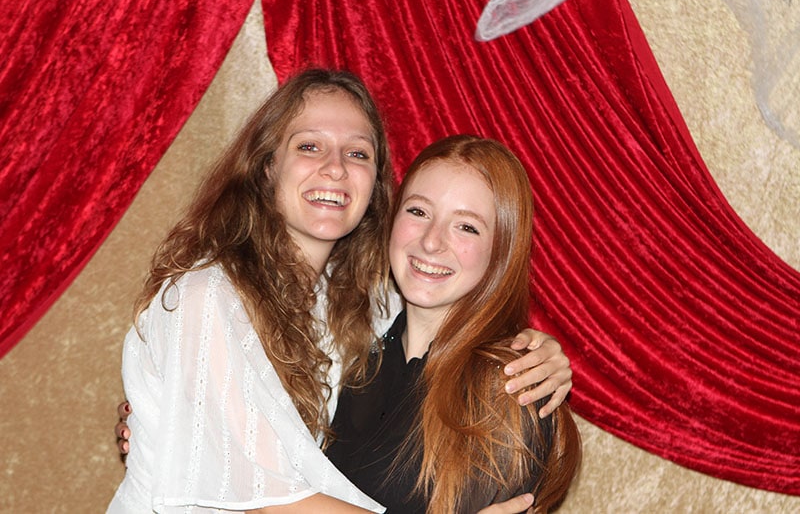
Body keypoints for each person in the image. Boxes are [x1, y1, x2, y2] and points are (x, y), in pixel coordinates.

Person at [108, 68, 572, 513]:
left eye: (357, 154)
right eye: (309, 146)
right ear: (267, 167)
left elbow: (448, 312)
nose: (334, 169)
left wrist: (543, 353)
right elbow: (268, 498)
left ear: (374, 185)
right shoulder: (206, 298)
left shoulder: (356, 311)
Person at [326, 135, 582, 513]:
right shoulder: (358, 356)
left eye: (466, 227)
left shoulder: (510, 387)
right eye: (418, 211)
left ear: (501, 251)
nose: (432, 242)